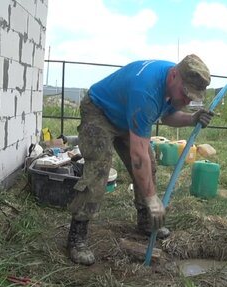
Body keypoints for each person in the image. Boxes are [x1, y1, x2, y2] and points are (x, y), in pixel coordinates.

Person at [66, 54, 214, 266]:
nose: (186, 101)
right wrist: (153, 198)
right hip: (99, 111)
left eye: (192, 98)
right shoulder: (146, 91)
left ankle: (145, 221)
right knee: (99, 171)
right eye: (185, 94)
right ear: (174, 76)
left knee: (149, 166)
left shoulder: (170, 84)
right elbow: (138, 155)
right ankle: (76, 236)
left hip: (125, 115)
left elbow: (166, 115)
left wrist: (191, 118)